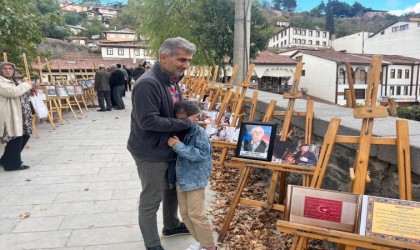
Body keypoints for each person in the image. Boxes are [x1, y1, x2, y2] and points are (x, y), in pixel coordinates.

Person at [127, 37, 197, 250]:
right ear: (163, 57)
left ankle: (171, 226)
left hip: (168, 147)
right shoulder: (148, 83)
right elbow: (147, 121)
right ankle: (152, 244)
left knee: (171, 190)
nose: (186, 65)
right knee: (151, 198)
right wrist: (185, 122)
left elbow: (173, 109)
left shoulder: (172, 79)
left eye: (189, 61)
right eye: (182, 60)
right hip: (151, 151)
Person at [167, 100, 216, 250]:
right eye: (193, 117)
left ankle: (210, 246)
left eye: (196, 117)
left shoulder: (198, 132)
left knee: (196, 214)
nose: (196, 120)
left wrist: (178, 146)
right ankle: (200, 242)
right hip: (180, 178)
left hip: (194, 178)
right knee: (185, 214)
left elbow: (202, 154)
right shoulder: (175, 129)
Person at [0, 61, 35, 171]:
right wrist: (26, 84)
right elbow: (13, 92)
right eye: (4, 68)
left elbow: (22, 92)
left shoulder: (15, 81)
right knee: (16, 137)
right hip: (10, 113)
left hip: (21, 114)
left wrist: (31, 87)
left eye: (10, 68)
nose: (7, 70)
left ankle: (5, 160)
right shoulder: (1, 81)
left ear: (13, 70)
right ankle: (12, 165)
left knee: (25, 135)